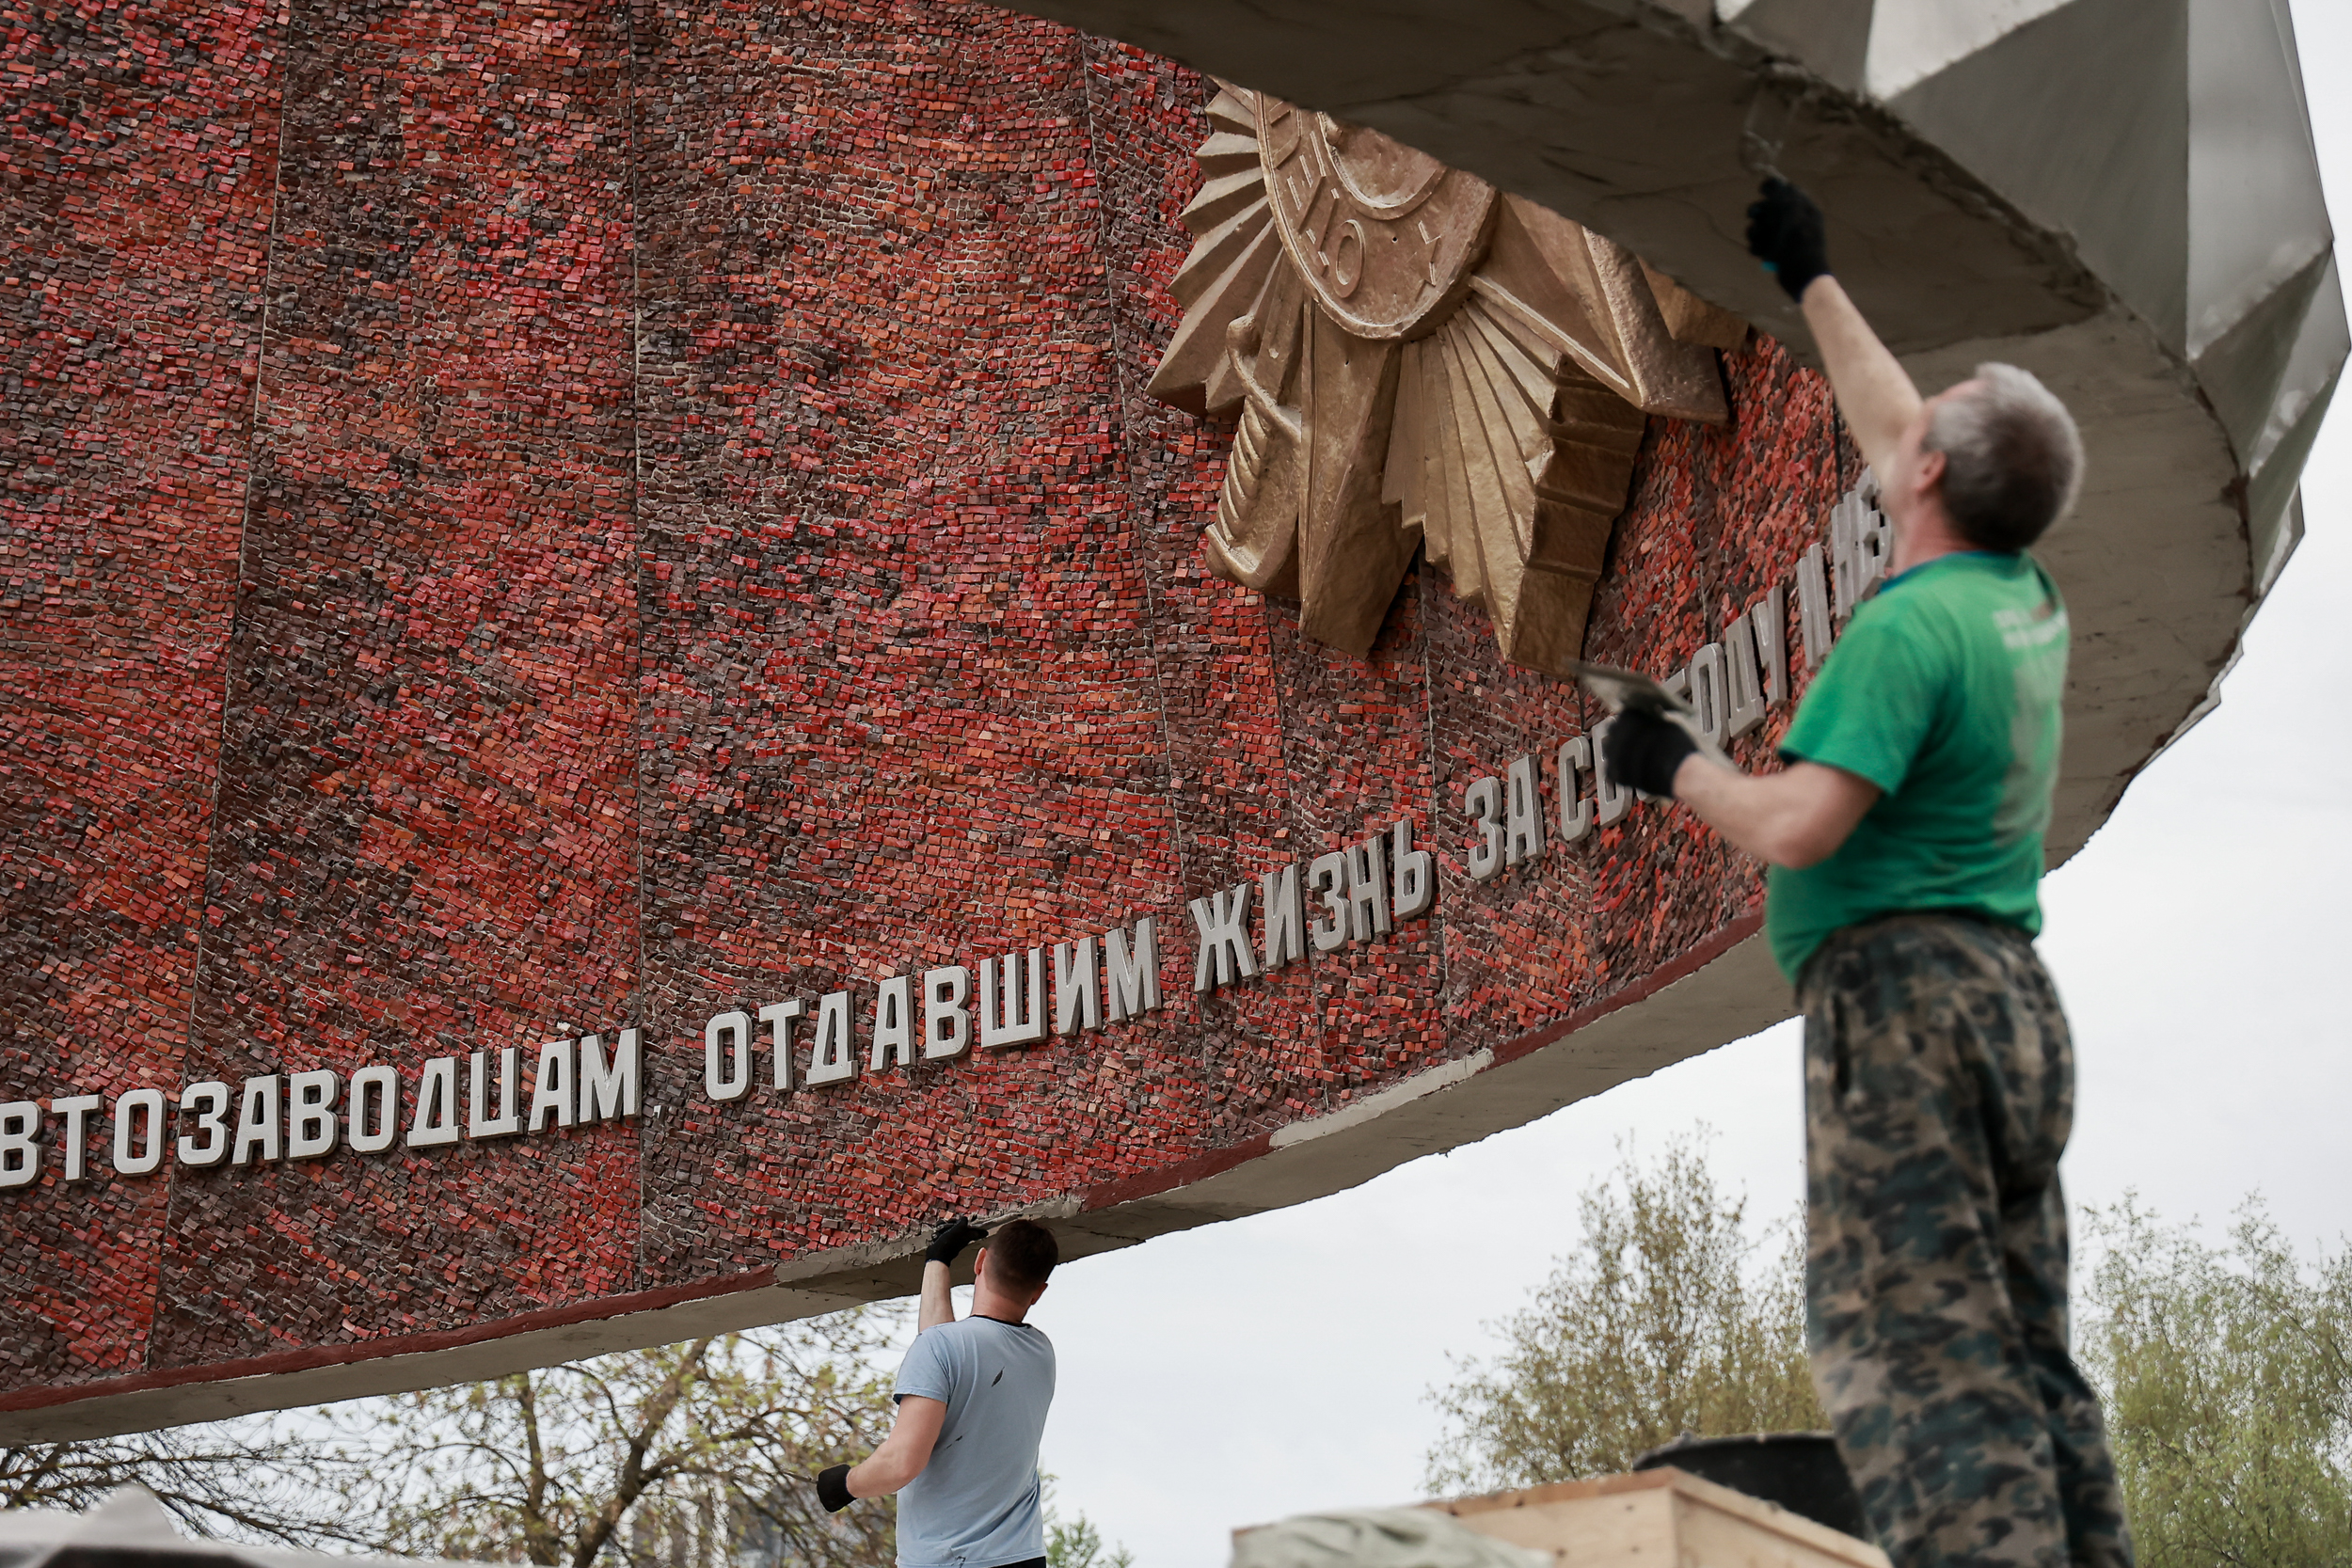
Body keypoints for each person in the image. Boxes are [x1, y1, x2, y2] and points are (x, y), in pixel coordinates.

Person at [1599, 178, 2132, 1568]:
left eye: (1934, 426)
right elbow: (1902, 425)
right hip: (2011, 998)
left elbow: (1798, 830)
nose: (1907, 431)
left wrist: (1673, 764)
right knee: (2023, 1344)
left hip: (1902, 1004)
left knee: (1915, 1350)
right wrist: (1813, 280)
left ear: (1934, 481)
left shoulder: (1907, 634)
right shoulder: (2017, 595)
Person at [817, 1216, 1060, 1568]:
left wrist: (845, 1485)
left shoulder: (941, 1349)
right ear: (1039, 1292)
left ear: (979, 1262)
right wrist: (937, 1262)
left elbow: (902, 1462)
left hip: (950, 1561)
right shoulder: (1041, 1352)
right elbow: (946, 1352)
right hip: (1022, 1557)